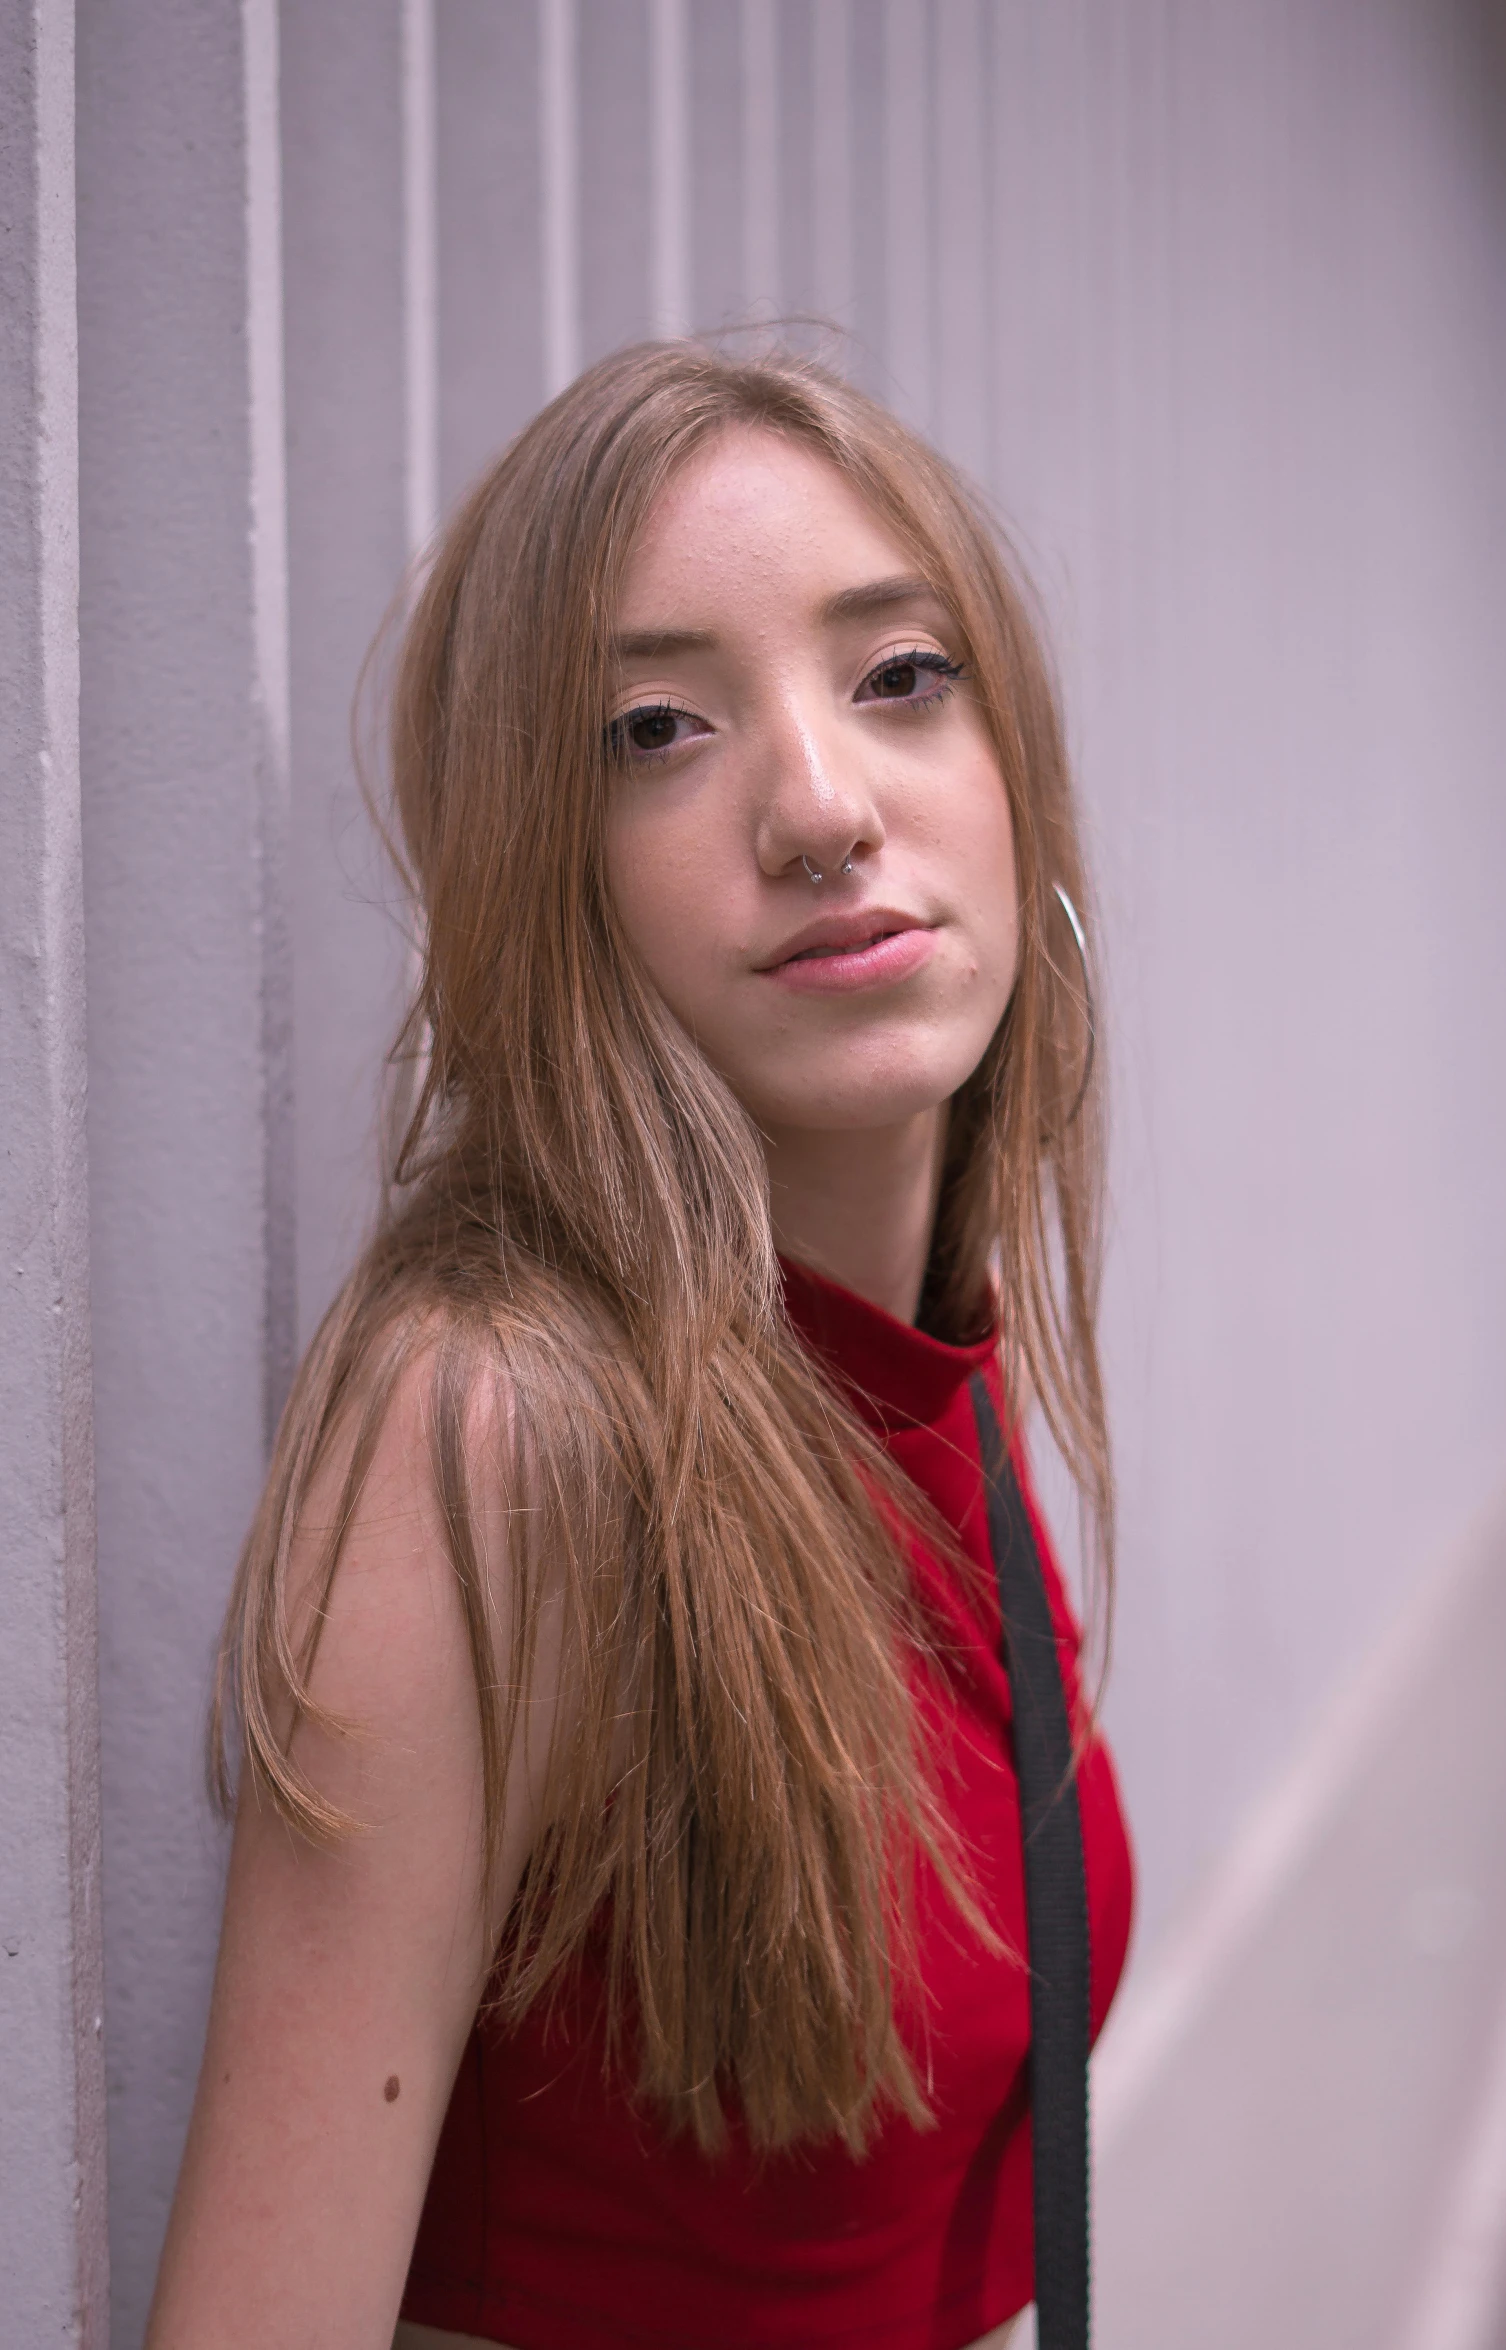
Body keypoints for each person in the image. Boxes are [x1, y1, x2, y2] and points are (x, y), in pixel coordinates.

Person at [147, 340, 1133, 2350]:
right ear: (546, 873)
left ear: (1009, 757)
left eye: (898, 676)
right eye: (659, 726)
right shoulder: (496, 1428)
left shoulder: (922, 1340)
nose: (822, 805)